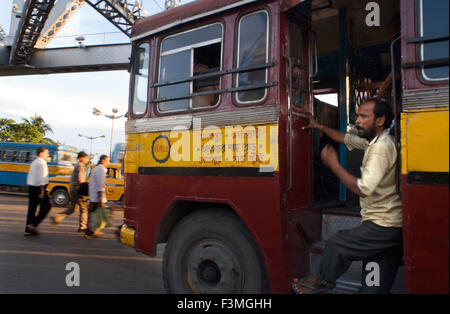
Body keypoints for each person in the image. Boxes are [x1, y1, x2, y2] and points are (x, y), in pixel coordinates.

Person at [292, 98, 403, 294]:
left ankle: (322, 282)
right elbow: (346, 138)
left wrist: (334, 164)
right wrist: (319, 126)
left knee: (337, 244)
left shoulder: (380, 149)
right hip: (387, 230)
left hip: (382, 226)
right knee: (374, 287)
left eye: (363, 116)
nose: (357, 120)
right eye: (357, 116)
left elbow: (362, 188)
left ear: (380, 120)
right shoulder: (377, 141)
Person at [52, 151, 89, 232]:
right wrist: (83, 189)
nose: (87, 160)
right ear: (80, 158)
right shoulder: (81, 166)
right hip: (78, 190)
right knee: (84, 208)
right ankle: (83, 226)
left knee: (74, 208)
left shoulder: (77, 165)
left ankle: (57, 217)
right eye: (86, 158)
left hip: (72, 189)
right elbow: (80, 179)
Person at [24, 147, 52, 236]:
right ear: (41, 153)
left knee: (32, 208)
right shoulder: (42, 163)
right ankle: (33, 225)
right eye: (46, 153)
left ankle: (28, 229)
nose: (48, 155)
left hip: (31, 187)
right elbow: (42, 178)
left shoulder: (34, 162)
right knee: (46, 207)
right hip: (39, 189)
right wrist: (42, 191)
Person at [85, 155, 109, 239]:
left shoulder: (97, 169)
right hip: (97, 196)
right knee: (95, 215)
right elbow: (100, 185)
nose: (108, 163)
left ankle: (93, 231)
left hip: (94, 196)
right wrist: (100, 199)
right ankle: (89, 232)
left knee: (94, 214)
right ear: (103, 161)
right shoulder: (101, 169)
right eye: (107, 161)